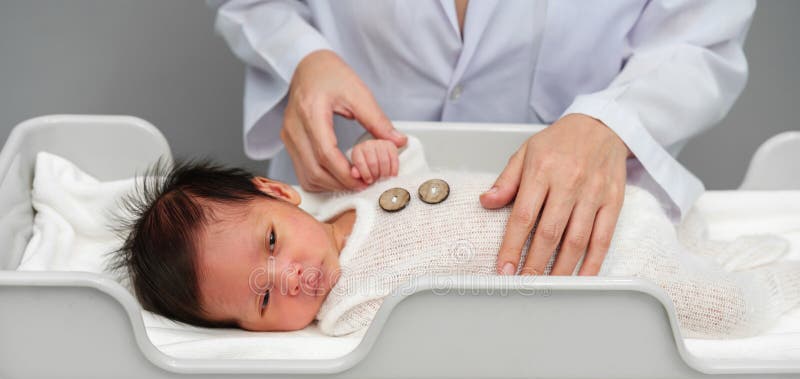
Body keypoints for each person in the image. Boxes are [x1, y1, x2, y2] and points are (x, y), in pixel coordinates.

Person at [210, 0, 756, 281]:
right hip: (337, 187)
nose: (283, 278)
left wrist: (612, 123)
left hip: (584, 230)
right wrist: (301, 57)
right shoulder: (317, 286)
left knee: (692, 278)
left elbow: (701, 35)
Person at [112, 137, 799, 338]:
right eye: (262, 301)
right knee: (725, 310)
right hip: (600, 269)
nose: (289, 277)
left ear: (279, 191)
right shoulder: (350, 307)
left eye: (270, 245)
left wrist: (388, 158)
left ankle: (719, 250)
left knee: (686, 236)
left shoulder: (350, 195)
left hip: (592, 206)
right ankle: (775, 281)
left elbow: (417, 170)